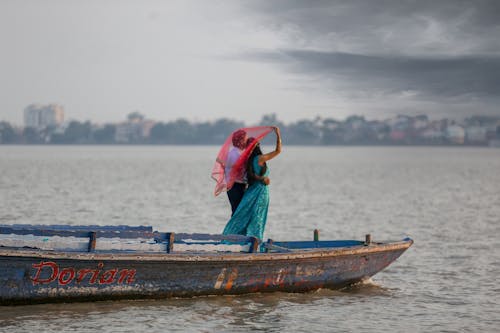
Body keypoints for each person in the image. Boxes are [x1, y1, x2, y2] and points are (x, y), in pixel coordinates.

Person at [222, 126, 282, 240]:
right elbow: (278, 151)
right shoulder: (253, 158)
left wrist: (258, 177)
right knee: (251, 217)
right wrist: (278, 134)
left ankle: (238, 239)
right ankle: (246, 240)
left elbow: (247, 174)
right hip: (251, 189)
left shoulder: (246, 158)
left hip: (247, 189)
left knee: (241, 215)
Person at [225, 129, 248, 216]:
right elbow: (238, 172)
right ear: (240, 141)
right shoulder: (236, 155)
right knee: (238, 212)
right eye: (245, 139)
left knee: (236, 211)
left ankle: (233, 229)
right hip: (236, 186)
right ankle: (232, 229)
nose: (246, 141)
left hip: (232, 186)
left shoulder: (232, 153)